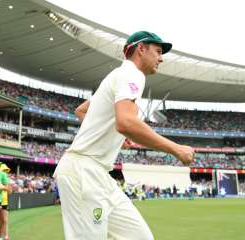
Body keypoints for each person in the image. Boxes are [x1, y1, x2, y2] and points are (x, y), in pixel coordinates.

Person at [53, 31, 195, 240]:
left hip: (98, 173)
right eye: (158, 51)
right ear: (141, 49)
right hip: (84, 170)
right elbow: (126, 122)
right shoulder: (132, 74)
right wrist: (176, 149)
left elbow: (81, 111)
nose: (161, 58)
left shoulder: (118, 75)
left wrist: (115, 133)